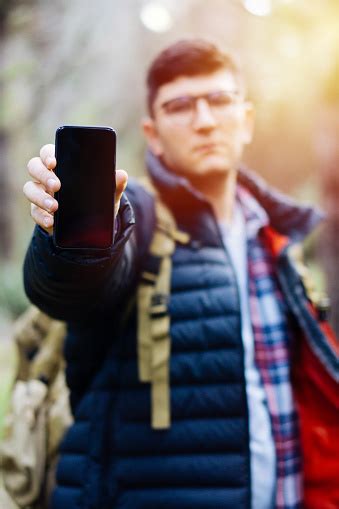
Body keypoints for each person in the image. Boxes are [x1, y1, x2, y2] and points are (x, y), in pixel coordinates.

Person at [22, 39, 338, 509]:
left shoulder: (278, 242)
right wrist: (64, 240)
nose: (205, 120)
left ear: (246, 120)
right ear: (153, 133)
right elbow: (68, 289)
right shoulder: (139, 218)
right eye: (181, 106)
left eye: (220, 100)